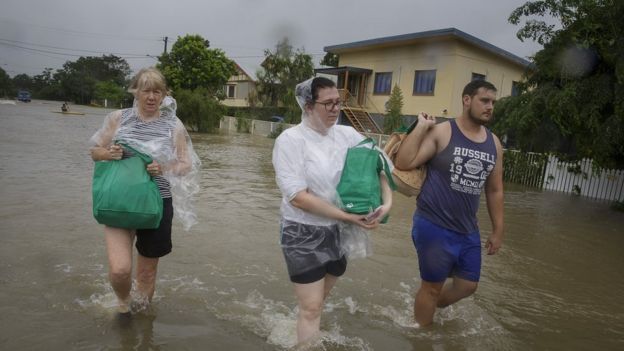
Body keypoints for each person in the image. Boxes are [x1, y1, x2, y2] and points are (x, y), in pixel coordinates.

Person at [272, 77, 393, 344]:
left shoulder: (347, 135)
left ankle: (299, 329)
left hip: (340, 232)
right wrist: (348, 216)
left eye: (338, 102)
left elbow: (380, 163)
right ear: (307, 105)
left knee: (318, 301)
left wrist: (387, 203)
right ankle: (306, 337)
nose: (336, 109)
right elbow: (297, 197)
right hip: (302, 232)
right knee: (312, 307)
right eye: (328, 104)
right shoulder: (290, 141)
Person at [89, 67, 199, 316]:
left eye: (157, 91)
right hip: (119, 199)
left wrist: (163, 167)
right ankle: (123, 303)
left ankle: (140, 320)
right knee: (120, 270)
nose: (151, 96)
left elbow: (185, 164)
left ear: (164, 95)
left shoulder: (174, 124)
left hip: (156, 203)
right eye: (146, 90)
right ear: (135, 92)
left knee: (147, 273)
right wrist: (108, 153)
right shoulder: (118, 118)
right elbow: (95, 151)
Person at [395, 80, 504, 326]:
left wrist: (498, 230)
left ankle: (427, 304)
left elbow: (495, 189)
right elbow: (403, 162)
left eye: (493, 103)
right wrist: (421, 127)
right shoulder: (444, 132)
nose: (490, 107)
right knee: (432, 286)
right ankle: (422, 334)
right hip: (433, 224)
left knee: (468, 285)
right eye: (484, 101)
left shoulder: (494, 143)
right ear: (467, 100)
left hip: (468, 229)